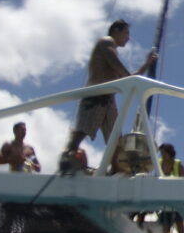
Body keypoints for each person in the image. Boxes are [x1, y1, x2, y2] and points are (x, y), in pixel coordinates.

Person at [60, 19, 157, 172]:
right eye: (126, 33)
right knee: (82, 131)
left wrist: (147, 64)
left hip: (108, 99)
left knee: (115, 139)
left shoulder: (110, 47)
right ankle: (67, 158)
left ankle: (115, 169)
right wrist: (131, 75)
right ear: (116, 30)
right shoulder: (106, 42)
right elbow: (118, 67)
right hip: (96, 95)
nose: (128, 37)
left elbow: (127, 78)